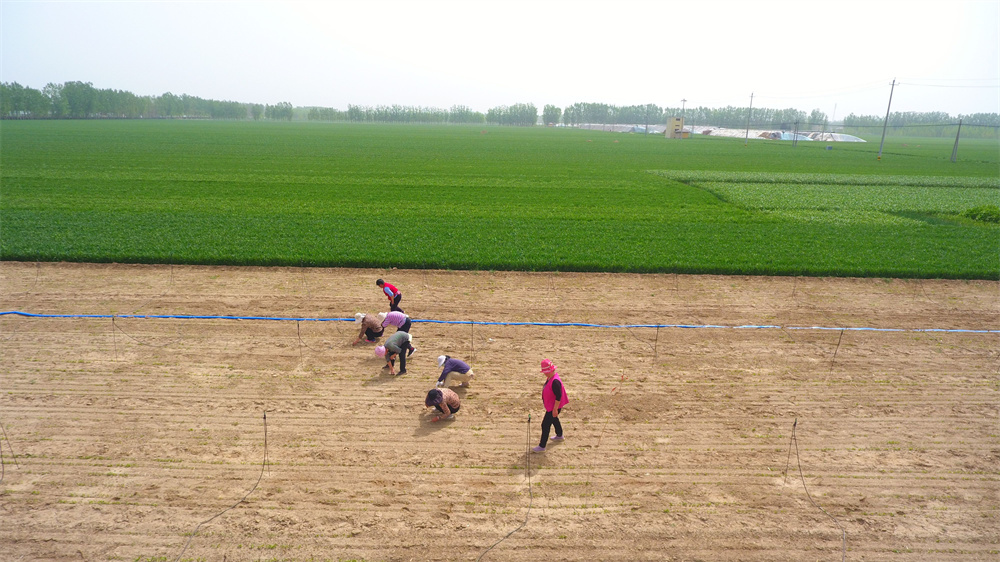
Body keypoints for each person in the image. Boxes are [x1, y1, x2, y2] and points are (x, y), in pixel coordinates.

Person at [532, 359, 568, 453]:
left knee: (545, 425)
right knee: (554, 419)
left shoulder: (555, 381)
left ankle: (542, 446)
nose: (545, 374)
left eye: (546, 372)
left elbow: (558, 396)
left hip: (554, 406)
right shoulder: (551, 377)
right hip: (552, 406)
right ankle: (559, 435)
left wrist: (555, 409)